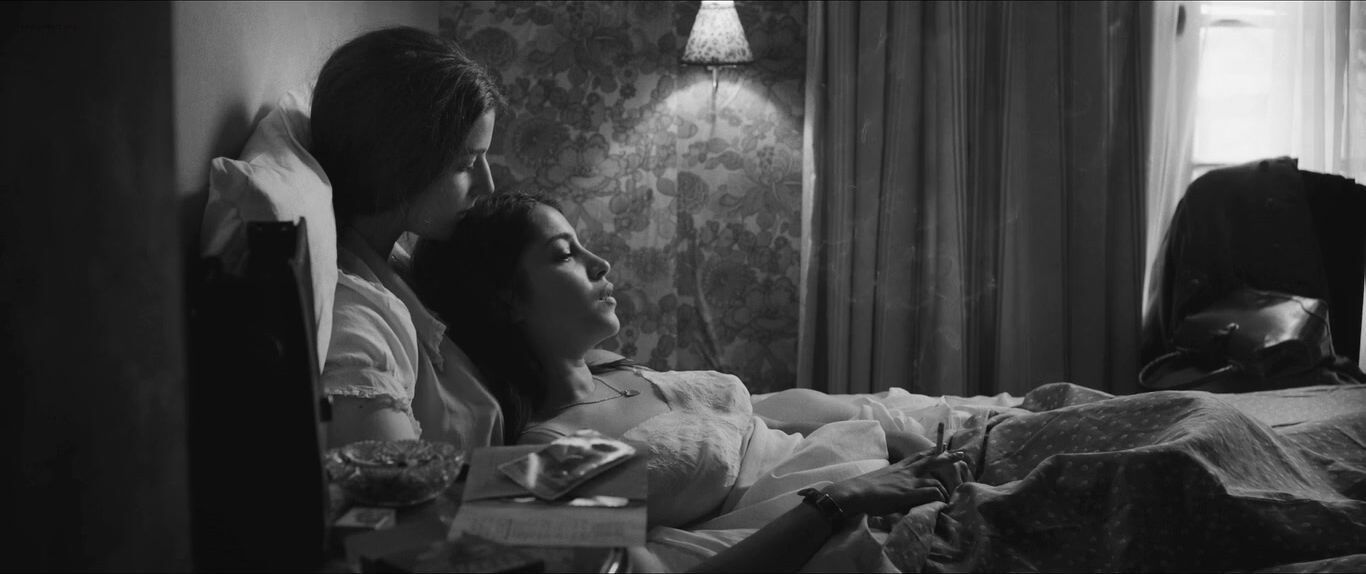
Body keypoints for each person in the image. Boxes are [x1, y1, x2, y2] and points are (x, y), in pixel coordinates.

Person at [410, 192, 973, 572]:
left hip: (889, 468)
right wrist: (842, 500)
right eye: (564, 255)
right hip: (854, 518)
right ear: (506, 301)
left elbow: (753, 421)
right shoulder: (554, 448)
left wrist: (891, 434)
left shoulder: (614, 368)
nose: (600, 261)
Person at [312, 26, 507, 449]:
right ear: (400, 161)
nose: (487, 185)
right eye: (465, 164)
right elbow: (395, 484)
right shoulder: (357, 331)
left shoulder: (395, 261)